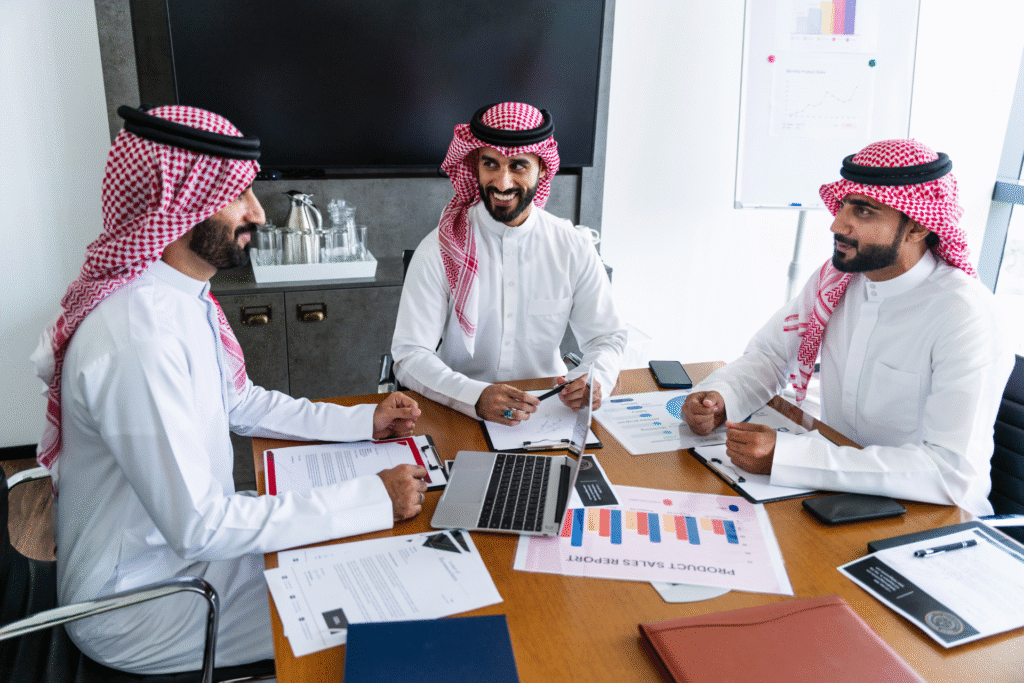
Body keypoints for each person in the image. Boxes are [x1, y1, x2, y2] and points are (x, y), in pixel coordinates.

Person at [30, 105, 428, 675]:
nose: (258, 213)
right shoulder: (138, 338)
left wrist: (362, 421)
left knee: (358, 552)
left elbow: (238, 401)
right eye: (236, 194)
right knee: (377, 604)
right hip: (142, 601)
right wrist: (373, 498)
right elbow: (201, 526)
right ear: (178, 203)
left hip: (185, 555)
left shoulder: (176, 295)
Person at [682, 139, 1014, 517]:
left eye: (864, 211)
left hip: (931, 515)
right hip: (837, 487)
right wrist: (722, 396)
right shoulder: (839, 278)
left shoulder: (965, 316)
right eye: (843, 205)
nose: (837, 224)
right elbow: (772, 356)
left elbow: (949, 473)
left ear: (917, 227)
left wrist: (790, 458)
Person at [391, 102, 627, 424]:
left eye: (518, 166)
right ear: (475, 165)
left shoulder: (573, 247)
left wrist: (594, 378)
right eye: (491, 164)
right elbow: (409, 355)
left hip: (548, 412)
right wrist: (474, 396)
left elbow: (607, 337)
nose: (502, 183)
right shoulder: (439, 249)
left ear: (541, 168)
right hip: (460, 411)